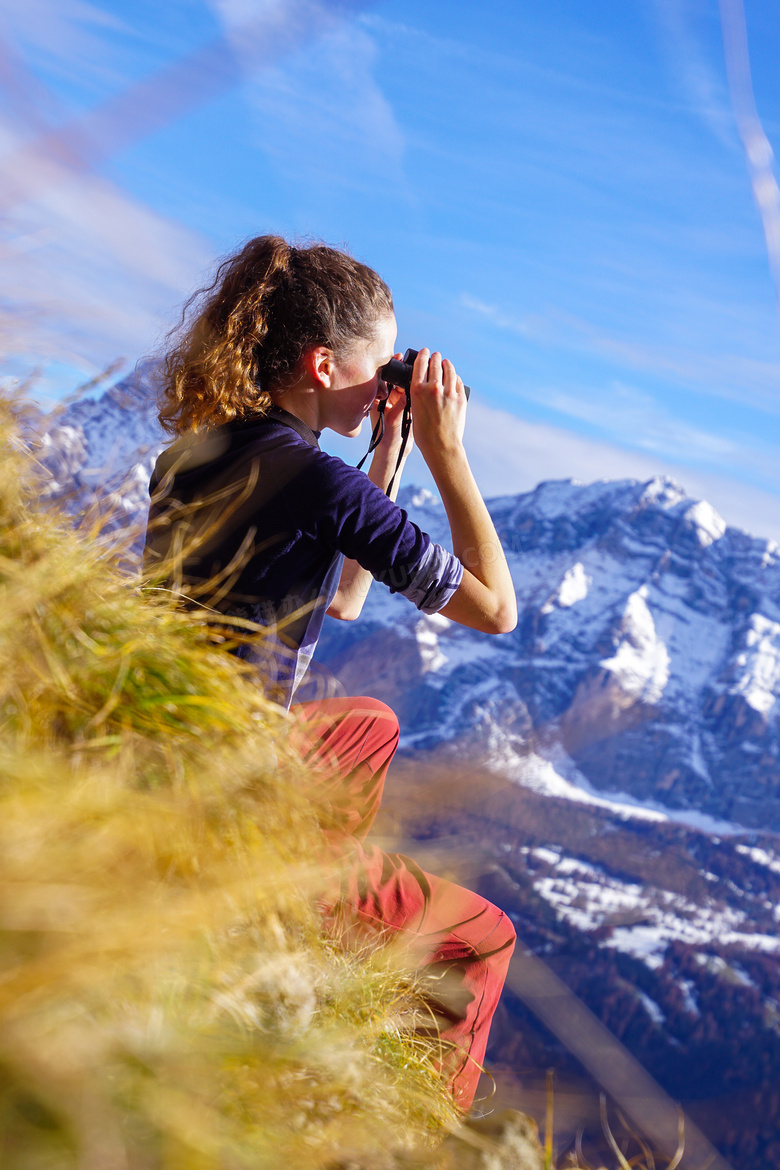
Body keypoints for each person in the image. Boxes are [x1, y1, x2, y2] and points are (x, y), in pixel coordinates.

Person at [144, 235, 517, 1112]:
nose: (392, 379)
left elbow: (341, 600)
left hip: (168, 750)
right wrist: (446, 452)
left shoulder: (197, 454)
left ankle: (307, 907)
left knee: (370, 723)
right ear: (322, 362)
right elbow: (495, 608)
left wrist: (384, 452)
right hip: (228, 793)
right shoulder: (319, 483)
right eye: (381, 365)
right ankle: (421, 1130)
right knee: (484, 938)